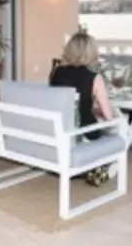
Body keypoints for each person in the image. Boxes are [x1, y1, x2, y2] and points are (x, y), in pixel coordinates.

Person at [49, 32, 118, 186]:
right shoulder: (94, 77)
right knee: (116, 126)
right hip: (83, 134)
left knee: (95, 119)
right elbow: (109, 116)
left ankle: (90, 168)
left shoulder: (56, 73)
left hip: (61, 131)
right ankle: (101, 166)